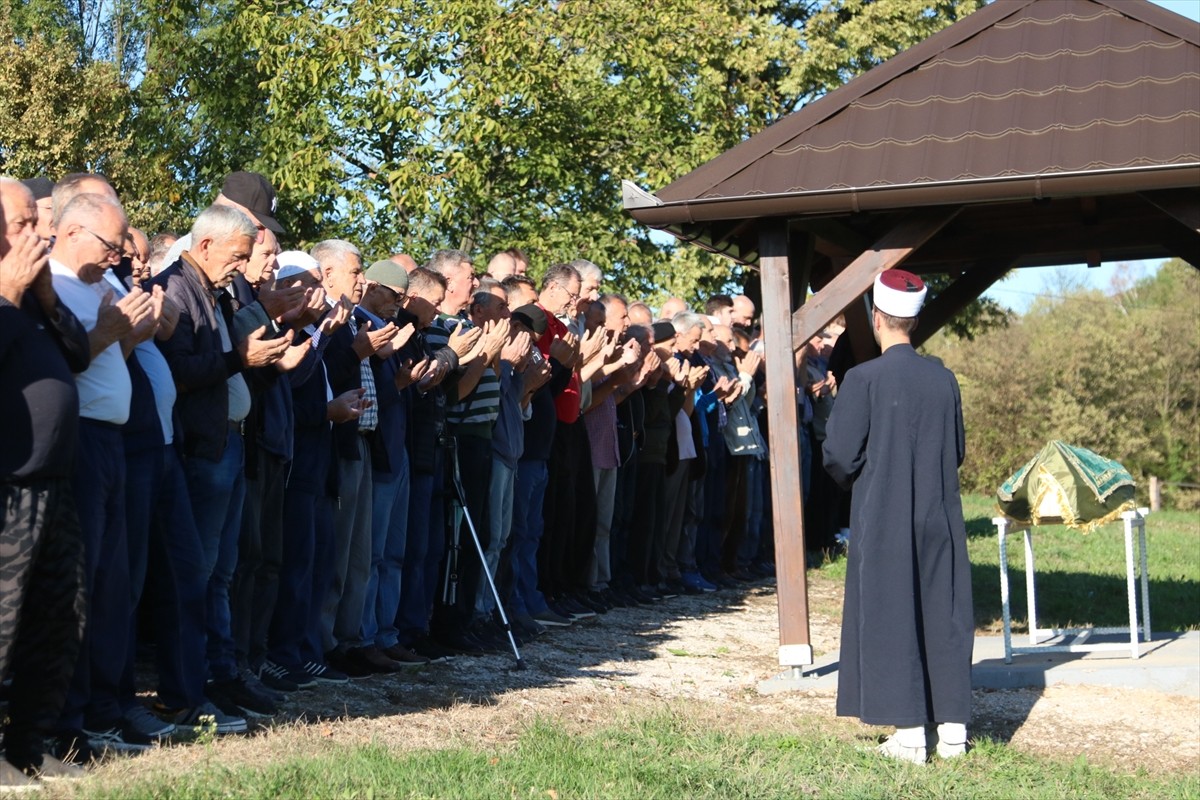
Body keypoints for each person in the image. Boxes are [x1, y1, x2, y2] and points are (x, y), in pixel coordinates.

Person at [822, 268, 972, 764]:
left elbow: (839, 456)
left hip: (883, 511)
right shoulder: (944, 379)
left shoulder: (862, 378)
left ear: (877, 317)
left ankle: (910, 735)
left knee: (891, 611)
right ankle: (952, 733)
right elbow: (956, 452)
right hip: (939, 510)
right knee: (942, 612)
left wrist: (869, 477)